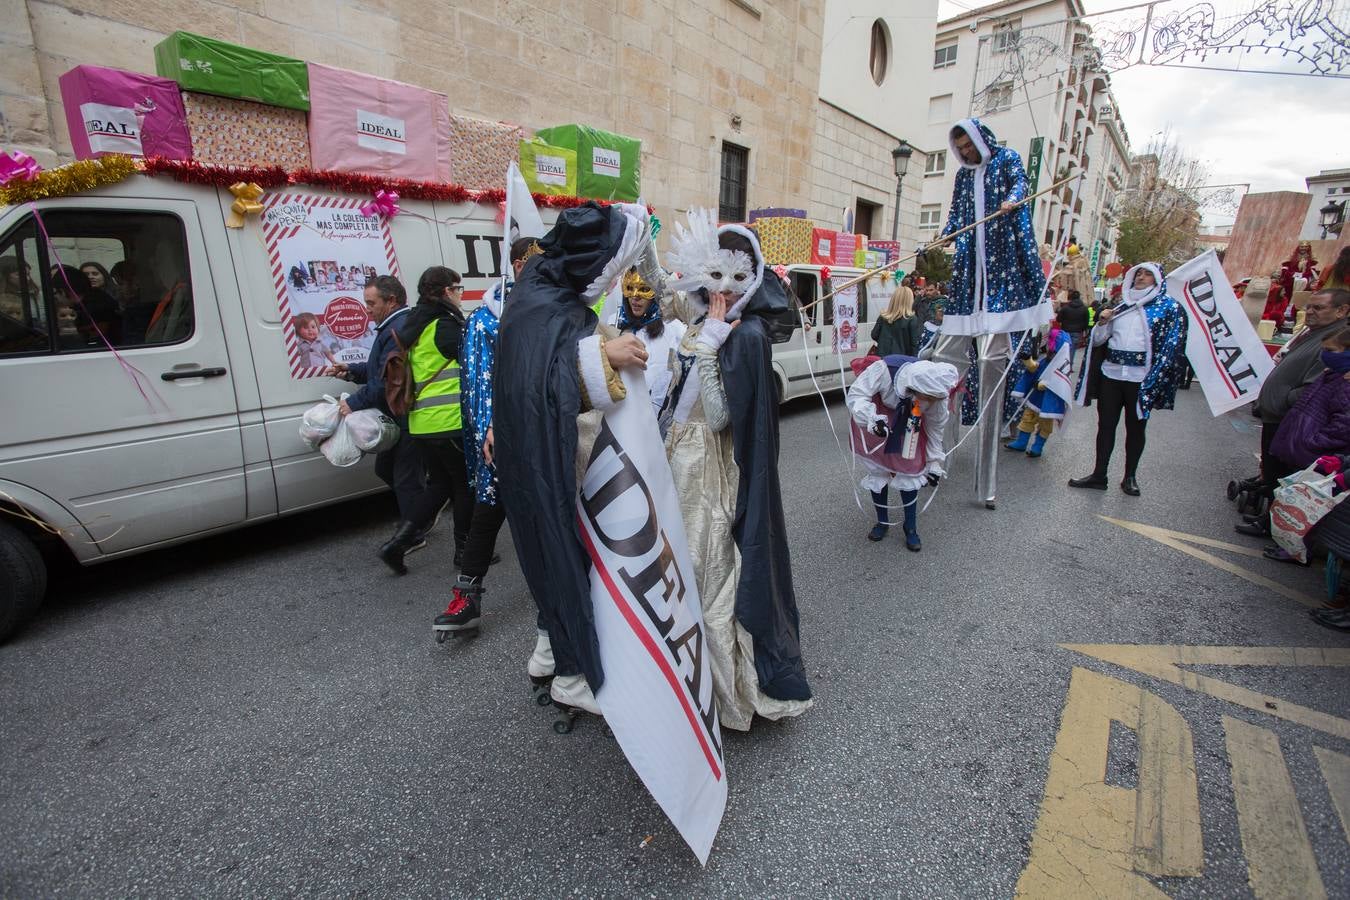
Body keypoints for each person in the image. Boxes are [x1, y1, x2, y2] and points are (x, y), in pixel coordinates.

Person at [494, 201, 654, 716]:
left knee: (552, 552)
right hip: (541, 460)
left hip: (541, 452)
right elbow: (543, 377)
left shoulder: (541, 293)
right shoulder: (545, 303)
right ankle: (572, 671)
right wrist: (604, 356)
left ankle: (549, 649)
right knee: (560, 552)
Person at [663, 209, 811, 730]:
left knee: (711, 574)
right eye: (716, 274)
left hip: (709, 468)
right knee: (675, 570)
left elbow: (724, 416)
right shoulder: (704, 319)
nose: (724, 287)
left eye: (737, 277)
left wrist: (709, 350)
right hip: (676, 458)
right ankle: (678, 677)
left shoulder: (745, 337)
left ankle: (723, 692)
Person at [924, 118, 1049, 509]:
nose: (964, 152)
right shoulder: (964, 179)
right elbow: (959, 216)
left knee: (992, 367)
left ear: (980, 139)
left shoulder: (1008, 159)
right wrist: (945, 234)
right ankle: (934, 462)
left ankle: (987, 485)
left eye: (967, 145)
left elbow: (1021, 185)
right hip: (966, 290)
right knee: (943, 368)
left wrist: (1011, 201)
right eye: (958, 147)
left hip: (998, 287)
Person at [431, 239, 539, 639]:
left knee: (557, 520)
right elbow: (477, 383)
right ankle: (467, 598)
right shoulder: (487, 320)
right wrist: (490, 428)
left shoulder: (552, 312)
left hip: (547, 438)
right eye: (536, 263)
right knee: (487, 514)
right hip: (506, 441)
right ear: (517, 265)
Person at [326, 275, 422, 574]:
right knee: (387, 469)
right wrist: (352, 371)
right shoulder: (391, 327)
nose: (367, 309)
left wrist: (352, 403)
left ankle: (414, 532)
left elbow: (386, 382)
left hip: (408, 416)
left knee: (406, 478)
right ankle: (421, 512)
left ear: (391, 300)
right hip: (399, 415)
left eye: (371, 303)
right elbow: (378, 368)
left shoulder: (396, 327)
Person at [1236, 289, 1350, 537]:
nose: (1310, 312)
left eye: (1319, 308)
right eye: (1309, 307)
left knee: (1284, 477)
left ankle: (1275, 526)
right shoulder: (1314, 333)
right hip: (1280, 417)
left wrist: (1284, 400)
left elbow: (1314, 385)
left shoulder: (1336, 339)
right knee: (1274, 473)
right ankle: (1271, 521)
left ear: (1341, 311)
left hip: (1292, 420)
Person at [384, 267, 475, 573]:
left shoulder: (414, 324)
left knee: (438, 486)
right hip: (449, 422)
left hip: (422, 424)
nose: (460, 295)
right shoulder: (443, 326)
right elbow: (474, 363)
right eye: (458, 289)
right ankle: (466, 553)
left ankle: (398, 543)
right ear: (447, 291)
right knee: (464, 487)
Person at [1070, 262, 1188, 495]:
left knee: (1136, 428)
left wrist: (1156, 378)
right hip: (1111, 375)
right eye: (1138, 274)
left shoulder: (1168, 308)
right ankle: (1099, 474)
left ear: (1157, 280)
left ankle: (1130, 477)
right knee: (1105, 426)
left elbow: (1172, 346)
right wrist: (1102, 323)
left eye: (1147, 274)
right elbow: (1100, 340)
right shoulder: (1120, 307)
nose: (1141, 278)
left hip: (1141, 379)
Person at [847, 356, 958, 551]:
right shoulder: (883, 370)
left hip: (911, 424)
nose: (930, 403)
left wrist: (934, 462)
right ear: (914, 389)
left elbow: (935, 427)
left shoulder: (937, 390)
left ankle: (910, 527)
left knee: (910, 471)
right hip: (879, 421)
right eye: (927, 399)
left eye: (933, 400)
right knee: (878, 471)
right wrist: (871, 418)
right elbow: (856, 394)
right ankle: (882, 522)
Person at [1260, 326, 1350, 561]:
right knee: (1297, 498)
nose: (1324, 355)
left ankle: (1299, 549)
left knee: (1312, 506)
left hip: (1319, 453)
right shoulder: (1332, 375)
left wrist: (1314, 443)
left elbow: (1343, 425)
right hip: (1305, 448)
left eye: (1330, 350)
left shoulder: (1345, 384)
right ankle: (1287, 540)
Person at [616, 266, 686, 421]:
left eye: (644, 289)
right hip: (621, 415)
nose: (635, 297)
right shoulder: (615, 325)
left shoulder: (674, 329)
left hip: (655, 418)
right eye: (629, 288)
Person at [1007, 319, 1072, 457]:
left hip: (1049, 402)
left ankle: (1037, 447)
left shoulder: (1062, 365)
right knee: (1028, 418)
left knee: (1045, 424)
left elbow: (1059, 383)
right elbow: (1034, 368)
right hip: (1036, 398)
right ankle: (1021, 442)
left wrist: (1043, 384)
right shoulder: (1046, 360)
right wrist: (1027, 360)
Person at [870, 285, 923, 357]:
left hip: (882, 357)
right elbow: (914, 344)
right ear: (909, 300)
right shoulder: (912, 319)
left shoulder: (883, 317)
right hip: (901, 360)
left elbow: (874, 335)